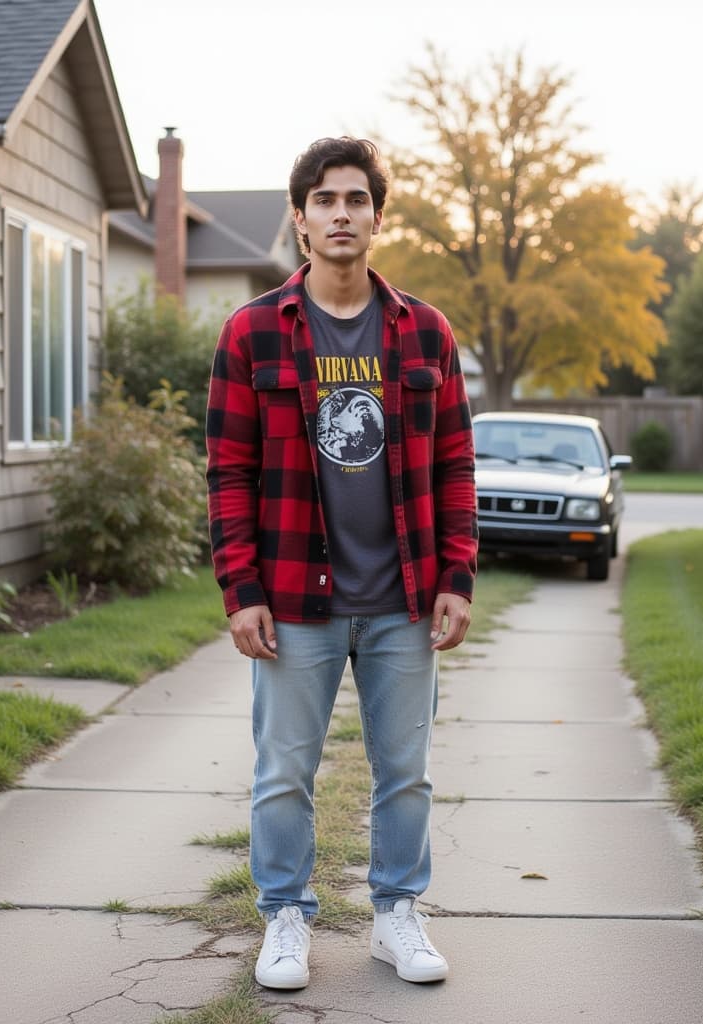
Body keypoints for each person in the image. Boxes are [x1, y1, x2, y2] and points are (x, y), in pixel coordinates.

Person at [205, 136, 478, 990]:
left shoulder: (424, 331)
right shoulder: (251, 331)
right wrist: (240, 587)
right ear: (300, 217)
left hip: (402, 595)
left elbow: (456, 465)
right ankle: (284, 917)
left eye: (356, 199)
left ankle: (397, 913)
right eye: (324, 200)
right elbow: (229, 470)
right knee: (284, 771)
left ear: (377, 216)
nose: (340, 215)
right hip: (292, 597)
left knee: (408, 772)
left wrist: (458, 576)